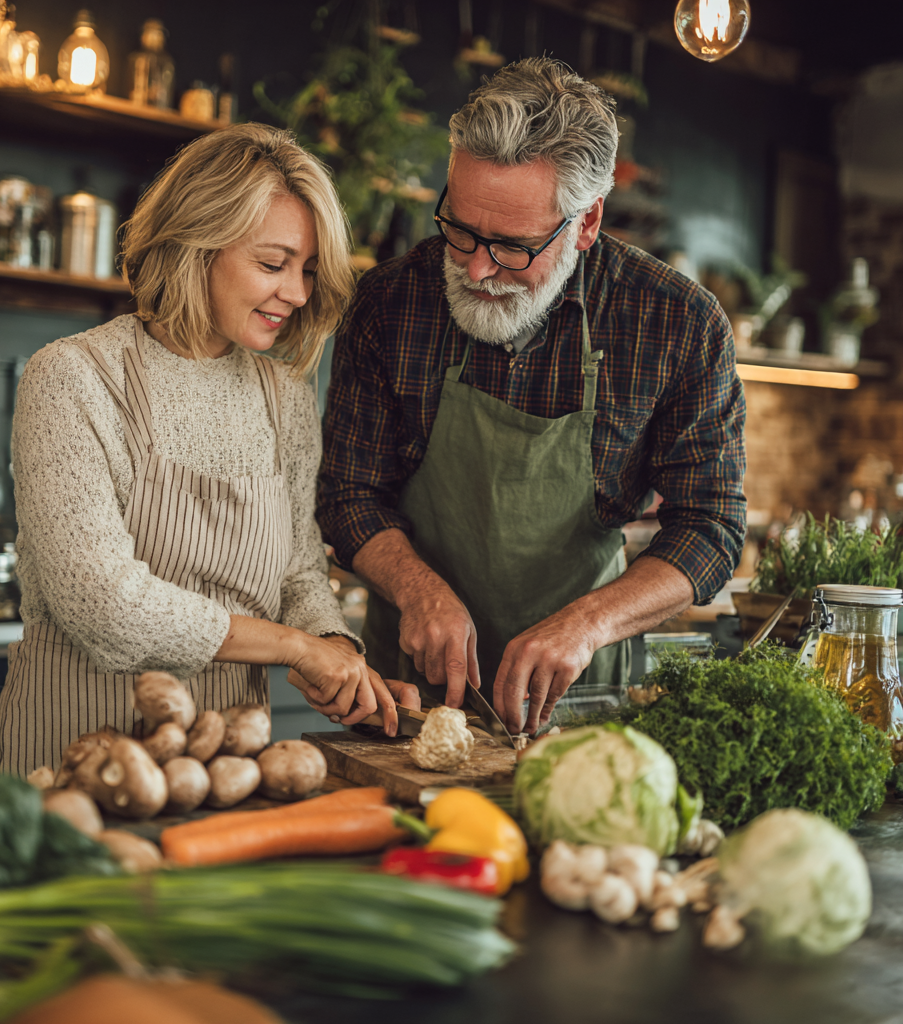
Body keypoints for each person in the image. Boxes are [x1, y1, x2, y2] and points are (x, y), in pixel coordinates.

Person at [318, 58, 746, 737]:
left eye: (513, 247)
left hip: (580, 704)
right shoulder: (391, 302)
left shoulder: (676, 324)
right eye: (458, 229)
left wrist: (587, 623)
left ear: (586, 222)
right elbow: (347, 493)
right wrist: (416, 588)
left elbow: (711, 528)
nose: (478, 268)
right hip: (406, 695)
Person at [0, 124, 416, 776]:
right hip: (71, 762)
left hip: (224, 764)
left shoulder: (284, 397)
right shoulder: (75, 378)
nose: (297, 294)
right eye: (273, 265)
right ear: (196, 246)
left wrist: (337, 653)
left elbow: (299, 573)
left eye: (305, 271)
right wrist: (295, 648)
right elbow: (106, 608)